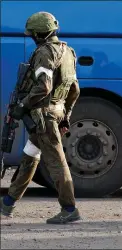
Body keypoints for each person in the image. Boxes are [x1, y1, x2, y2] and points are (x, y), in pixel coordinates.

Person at [0, 11, 81, 224]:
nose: (31, 38)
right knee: (30, 156)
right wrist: (66, 115)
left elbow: (43, 86)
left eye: (32, 34)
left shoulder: (45, 52)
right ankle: (8, 202)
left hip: (44, 117)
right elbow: (74, 89)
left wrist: (22, 105)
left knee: (56, 162)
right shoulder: (68, 51)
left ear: (39, 34)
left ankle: (69, 208)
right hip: (55, 112)